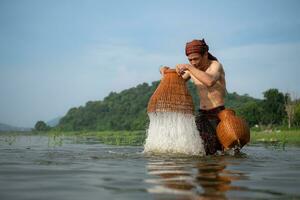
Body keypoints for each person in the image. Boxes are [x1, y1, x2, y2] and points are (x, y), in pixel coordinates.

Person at [160, 39, 226, 155]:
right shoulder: (192, 70)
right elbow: (176, 83)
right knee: (203, 152)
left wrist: (188, 67)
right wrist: (164, 72)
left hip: (218, 114)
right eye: (190, 60)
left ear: (205, 54)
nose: (193, 62)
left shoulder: (216, 66)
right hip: (202, 114)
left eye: (196, 59)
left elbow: (209, 81)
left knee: (222, 151)